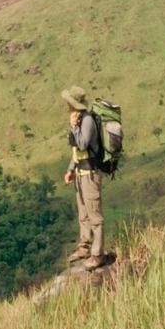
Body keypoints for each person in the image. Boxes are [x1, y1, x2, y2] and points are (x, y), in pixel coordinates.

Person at [62, 86, 105, 271]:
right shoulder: (79, 119)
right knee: (83, 214)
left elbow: (83, 143)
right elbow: (77, 152)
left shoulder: (86, 121)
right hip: (80, 173)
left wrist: (73, 127)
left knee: (94, 216)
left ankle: (97, 255)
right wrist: (71, 170)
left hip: (90, 174)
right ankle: (84, 247)